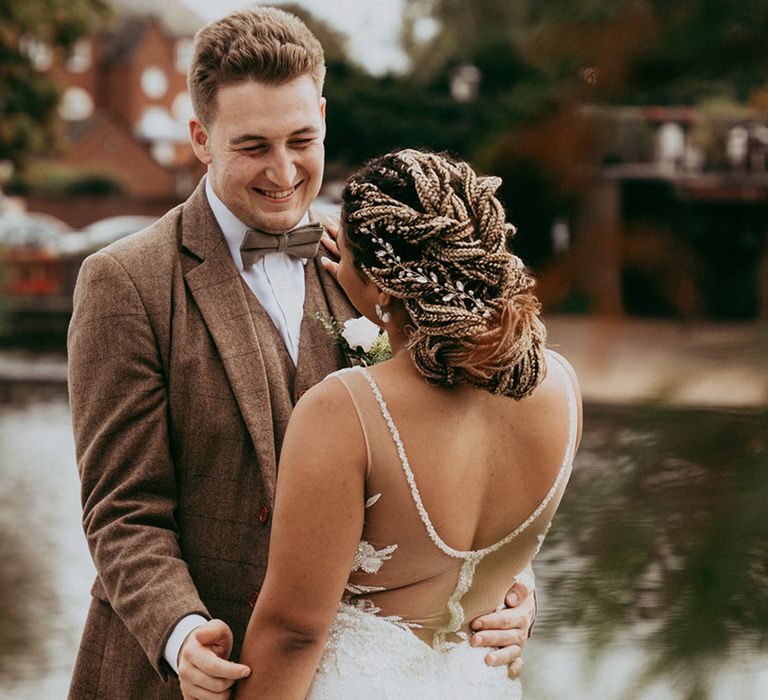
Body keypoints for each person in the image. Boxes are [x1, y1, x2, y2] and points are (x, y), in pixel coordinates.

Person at [67, 8, 535, 700]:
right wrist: (180, 632)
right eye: (252, 146)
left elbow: (455, 454)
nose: (284, 172)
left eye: (302, 140)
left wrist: (501, 589)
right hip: (170, 681)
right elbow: (122, 508)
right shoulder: (124, 282)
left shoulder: (378, 269)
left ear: (322, 113)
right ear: (201, 137)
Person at [231, 149, 583, 698]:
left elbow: (293, 632)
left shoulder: (344, 410)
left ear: (382, 282)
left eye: (343, 251)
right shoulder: (559, 385)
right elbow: (497, 560)